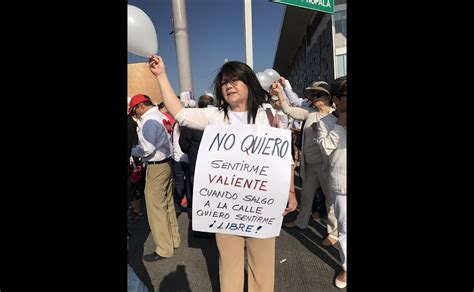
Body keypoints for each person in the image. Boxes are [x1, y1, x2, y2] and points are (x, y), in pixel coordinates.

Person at [148, 55, 297, 292]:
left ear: (249, 83)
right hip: (225, 206)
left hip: (261, 205)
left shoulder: (269, 115)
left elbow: (283, 157)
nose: (228, 86)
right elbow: (179, 113)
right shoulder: (215, 116)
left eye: (235, 80)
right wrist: (161, 76)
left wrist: (290, 190)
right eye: (224, 82)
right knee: (229, 265)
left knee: (263, 267)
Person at [272, 80, 338, 247]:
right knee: (307, 196)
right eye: (313, 95)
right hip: (309, 165)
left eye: (319, 94)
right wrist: (280, 90)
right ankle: (301, 222)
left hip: (327, 166)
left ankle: (334, 232)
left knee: (330, 200)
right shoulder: (309, 112)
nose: (315, 97)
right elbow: (287, 109)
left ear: (329, 97)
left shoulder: (336, 116)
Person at [129, 94, 181, 261]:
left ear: (140, 106)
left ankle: (164, 249)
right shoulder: (160, 115)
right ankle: (174, 239)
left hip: (156, 167)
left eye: (134, 110)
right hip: (167, 163)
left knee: (155, 210)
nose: (135, 114)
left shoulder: (148, 120)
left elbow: (147, 149)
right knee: (167, 205)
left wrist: (133, 150)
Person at [316, 76, 347, 289]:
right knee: (345, 229)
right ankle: (347, 267)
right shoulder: (324, 122)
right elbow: (325, 149)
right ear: (336, 99)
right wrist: (340, 124)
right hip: (342, 183)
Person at [178, 94, 215, 220]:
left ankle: (200, 224)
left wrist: (192, 150)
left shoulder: (193, 121)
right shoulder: (219, 120)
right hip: (216, 167)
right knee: (214, 196)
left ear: (199, 105)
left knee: (197, 194)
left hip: (196, 165)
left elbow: (183, 145)